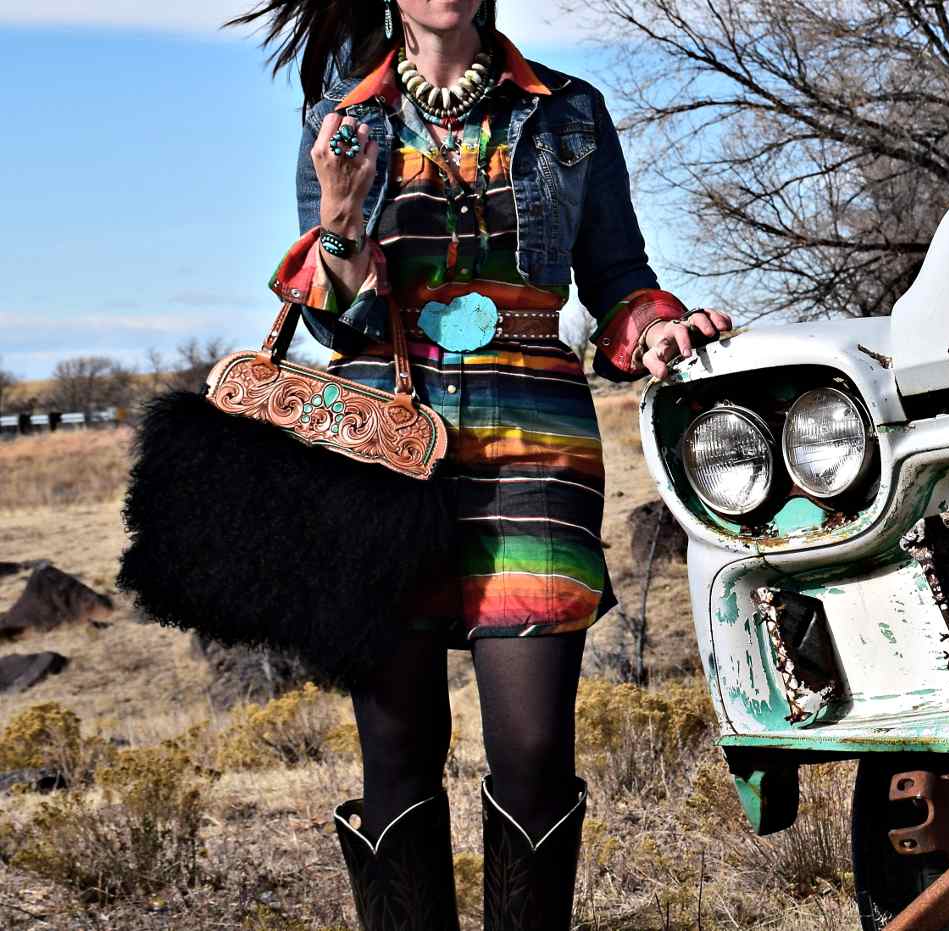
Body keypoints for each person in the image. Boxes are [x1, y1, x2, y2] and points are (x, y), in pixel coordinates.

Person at [227, 1, 732, 928]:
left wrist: (656, 328)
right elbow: (334, 322)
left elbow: (618, 277)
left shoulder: (569, 110)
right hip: (384, 451)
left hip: (535, 443)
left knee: (534, 749)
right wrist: (339, 219)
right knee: (398, 752)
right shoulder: (342, 118)